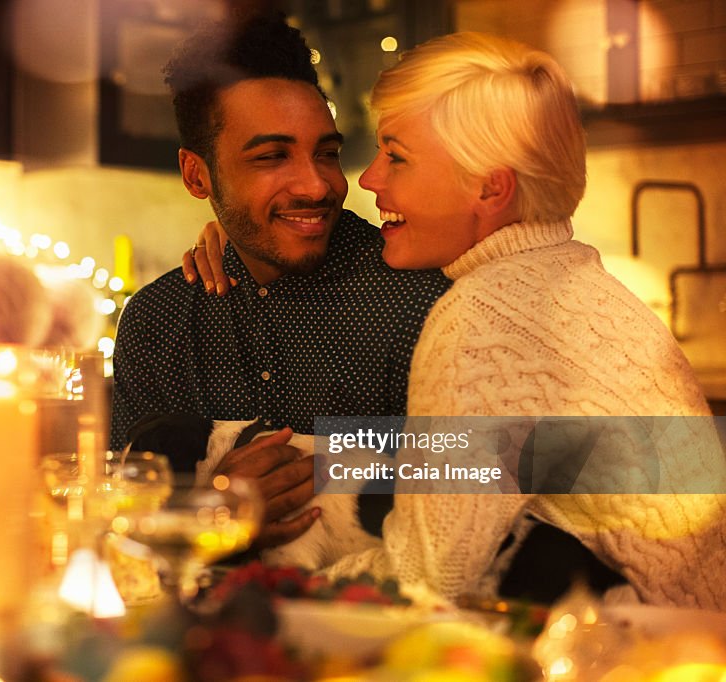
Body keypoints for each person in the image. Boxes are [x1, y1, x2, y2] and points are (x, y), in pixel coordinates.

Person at [304, 31, 726, 609]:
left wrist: (281, 590)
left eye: (396, 155)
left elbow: (427, 576)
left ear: (490, 187)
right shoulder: (580, 283)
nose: (370, 178)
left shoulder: (482, 318)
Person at [110, 12, 451, 550]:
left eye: (327, 153)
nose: (317, 185)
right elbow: (122, 516)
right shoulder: (158, 321)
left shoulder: (418, 300)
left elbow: (513, 476)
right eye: (271, 157)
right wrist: (209, 515)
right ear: (197, 175)